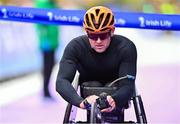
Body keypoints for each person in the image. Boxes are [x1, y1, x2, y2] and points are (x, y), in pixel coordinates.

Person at [56, 6, 137, 123]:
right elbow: (61, 81)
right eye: (93, 36)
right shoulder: (75, 47)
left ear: (112, 31)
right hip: (88, 91)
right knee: (92, 85)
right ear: (86, 32)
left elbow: (128, 86)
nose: (98, 41)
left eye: (103, 35)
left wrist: (114, 99)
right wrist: (81, 102)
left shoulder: (126, 47)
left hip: (116, 91)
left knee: (111, 87)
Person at [34, 0, 59, 98]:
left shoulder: (53, 4)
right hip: (47, 42)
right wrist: (45, 39)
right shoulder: (42, 3)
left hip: (53, 41)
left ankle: (46, 89)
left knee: (51, 64)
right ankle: (45, 89)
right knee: (47, 66)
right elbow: (40, 23)